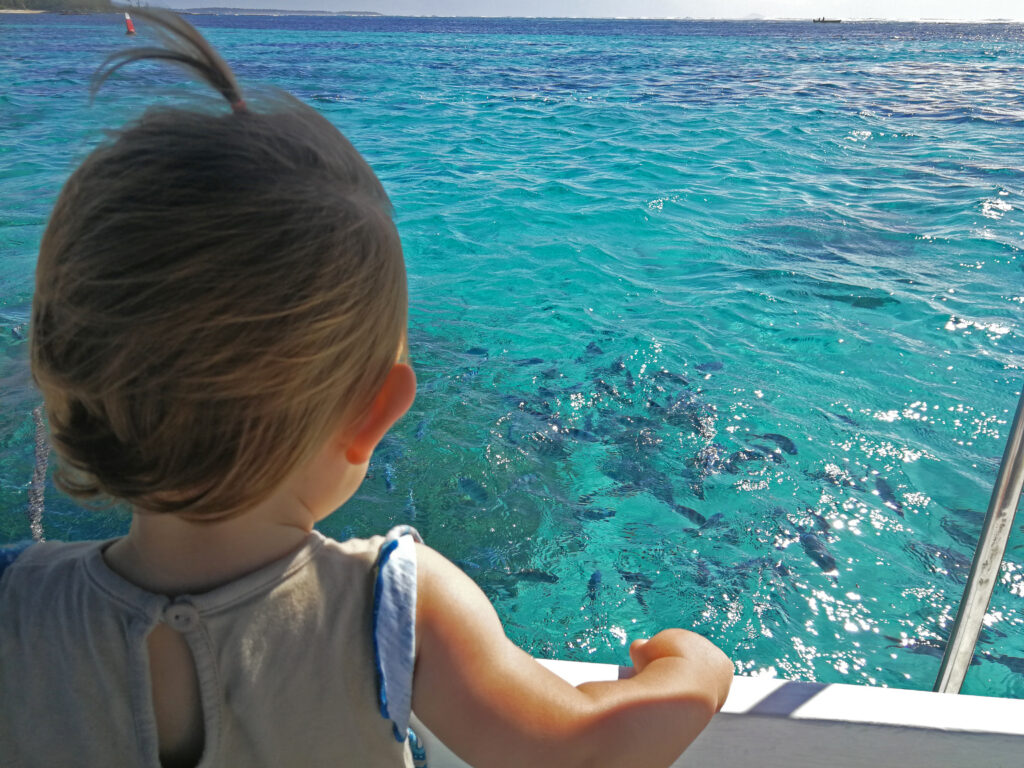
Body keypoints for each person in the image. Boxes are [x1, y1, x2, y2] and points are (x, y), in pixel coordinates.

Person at [0, 9, 732, 768]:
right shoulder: (393, 608)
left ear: (59, 382)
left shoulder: (14, 605)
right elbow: (585, 751)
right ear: (375, 412)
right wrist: (696, 670)